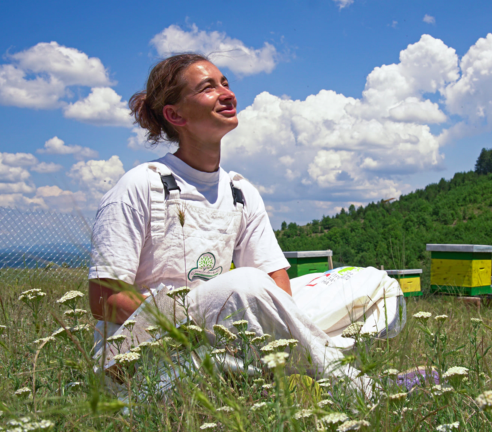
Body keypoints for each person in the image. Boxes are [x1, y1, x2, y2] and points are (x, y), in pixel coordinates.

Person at [88, 53, 404, 394]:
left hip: (228, 327)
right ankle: (362, 389)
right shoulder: (141, 184)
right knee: (245, 285)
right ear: (174, 114)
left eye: (225, 83)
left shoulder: (240, 190)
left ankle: (274, 364)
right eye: (208, 88)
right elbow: (104, 297)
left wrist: (279, 319)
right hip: (149, 351)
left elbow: (275, 281)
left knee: (374, 284)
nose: (227, 93)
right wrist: (191, 326)